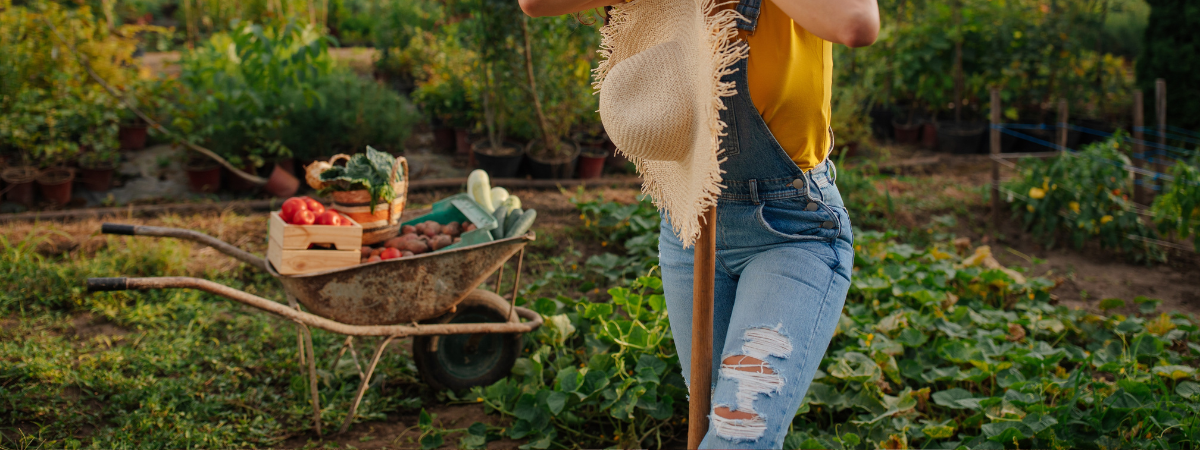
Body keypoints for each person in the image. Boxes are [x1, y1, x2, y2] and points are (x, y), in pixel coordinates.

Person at [522, 0, 879, 447]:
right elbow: (534, 4)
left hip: (790, 228)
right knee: (713, 421)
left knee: (735, 436)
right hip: (688, 223)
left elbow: (856, 22)